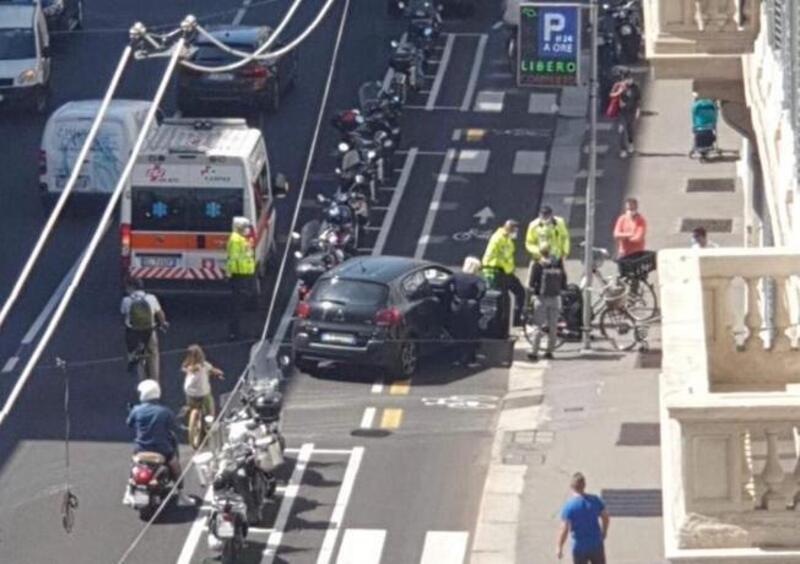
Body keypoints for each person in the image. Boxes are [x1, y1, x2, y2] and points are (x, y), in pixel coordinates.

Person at [127, 379, 185, 493]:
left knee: (134, 463)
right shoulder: (165, 411)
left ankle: (129, 487)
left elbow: (129, 423)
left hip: (141, 448)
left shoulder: (136, 410)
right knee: (175, 465)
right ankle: (180, 491)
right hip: (162, 449)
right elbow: (175, 427)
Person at [557, 472, 610, 564]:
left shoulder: (569, 506)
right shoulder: (595, 500)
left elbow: (564, 529)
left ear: (572, 486)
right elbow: (605, 517)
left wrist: (559, 547)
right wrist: (604, 532)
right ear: (584, 485)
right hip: (596, 543)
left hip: (579, 547)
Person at [120, 278, 168, 382]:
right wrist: (163, 323)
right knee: (154, 356)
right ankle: (155, 383)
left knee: (138, 359)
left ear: (131, 287)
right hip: (149, 331)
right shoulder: (151, 298)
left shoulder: (126, 300)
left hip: (134, 333)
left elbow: (124, 313)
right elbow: (160, 315)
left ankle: (142, 384)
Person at [482, 219, 526, 326]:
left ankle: (516, 319)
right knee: (503, 299)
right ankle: (502, 322)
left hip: (506, 272)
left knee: (520, 292)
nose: (516, 233)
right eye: (515, 230)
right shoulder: (498, 238)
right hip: (496, 271)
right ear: (510, 229)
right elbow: (492, 257)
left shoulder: (507, 239)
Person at [527, 244, 565, 361]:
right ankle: (549, 351)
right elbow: (564, 279)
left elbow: (532, 283)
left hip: (541, 298)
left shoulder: (538, 264)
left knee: (538, 325)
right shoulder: (557, 262)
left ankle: (534, 352)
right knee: (553, 326)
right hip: (555, 298)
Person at [447, 257, 487, 366]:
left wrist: (453, 294)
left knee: (458, 332)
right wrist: (476, 299)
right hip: (471, 308)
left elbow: (444, 284)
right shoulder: (476, 279)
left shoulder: (456, 276)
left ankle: (457, 359)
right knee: (471, 333)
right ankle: (470, 360)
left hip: (457, 306)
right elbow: (483, 290)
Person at [226, 216, 257, 340]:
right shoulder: (235, 240)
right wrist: (230, 273)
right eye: (246, 227)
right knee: (237, 305)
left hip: (245, 274)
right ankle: (234, 333)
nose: (248, 229)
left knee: (244, 304)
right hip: (239, 276)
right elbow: (233, 258)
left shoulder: (241, 239)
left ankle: (239, 331)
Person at [181, 344, 224, 419]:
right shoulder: (204, 365)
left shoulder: (187, 365)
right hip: (203, 393)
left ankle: (189, 413)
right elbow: (214, 370)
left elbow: (184, 369)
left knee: (191, 405)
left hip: (189, 392)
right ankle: (209, 424)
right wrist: (220, 373)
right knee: (210, 410)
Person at [609, 68, 641, 158]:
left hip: (631, 111)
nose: (630, 80)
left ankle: (630, 144)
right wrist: (618, 92)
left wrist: (638, 110)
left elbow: (638, 99)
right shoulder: (618, 86)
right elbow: (611, 95)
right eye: (628, 79)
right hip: (621, 112)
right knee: (621, 130)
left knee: (630, 129)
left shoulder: (635, 87)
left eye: (631, 78)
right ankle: (623, 149)